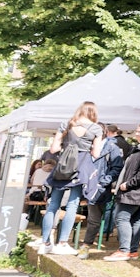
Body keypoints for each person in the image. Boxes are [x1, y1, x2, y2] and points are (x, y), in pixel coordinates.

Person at [35, 101, 104, 255]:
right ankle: (62, 243)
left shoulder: (66, 124)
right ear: (93, 113)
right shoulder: (96, 128)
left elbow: (53, 149)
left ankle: (46, 242)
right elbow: (96, 154)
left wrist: (66, 147)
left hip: (62, 166)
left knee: (53, 205)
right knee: (72, 205)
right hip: (81, 167)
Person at [105, 122, 140, 262]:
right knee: (136, 219)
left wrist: (128, 185)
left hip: (136, 191)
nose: (136, 134)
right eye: (136, 131)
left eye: (139, 131)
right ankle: (132, 251)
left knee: (121, 217)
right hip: (137, 191)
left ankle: (124, 250)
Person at [77, 124, 126, 259]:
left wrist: (103, 181)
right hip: (84, 186)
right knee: (91, 218)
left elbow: (117, 167)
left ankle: (87, 246)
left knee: (98, 218)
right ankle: (81, 245)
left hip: (100, 188)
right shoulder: (86, 146)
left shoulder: (112, 148)